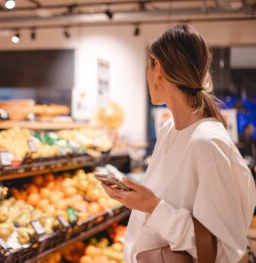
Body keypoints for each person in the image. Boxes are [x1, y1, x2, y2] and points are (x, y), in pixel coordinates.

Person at [101, 24, 256, 263]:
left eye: (148, 66)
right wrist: (139, 200)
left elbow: (225, 252)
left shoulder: (208, 142)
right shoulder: (169, 130)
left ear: (158, 68)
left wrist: (152, 206)